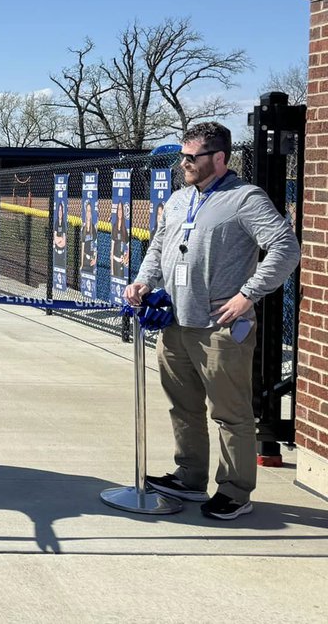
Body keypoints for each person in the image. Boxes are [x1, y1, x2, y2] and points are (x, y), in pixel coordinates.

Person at [125, 122, 300, 520]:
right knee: (183, 407)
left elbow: (286, 248)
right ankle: (189, 477)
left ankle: (235, 492)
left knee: (230, 413)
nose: (183, 163)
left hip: (220, 328)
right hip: (174, 323)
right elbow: (159, 245)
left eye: (192, 157)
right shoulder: (178, 199)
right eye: (183, 156)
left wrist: (248, 294)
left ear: (219, 158)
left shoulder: (245, 199)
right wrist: (142, 280)